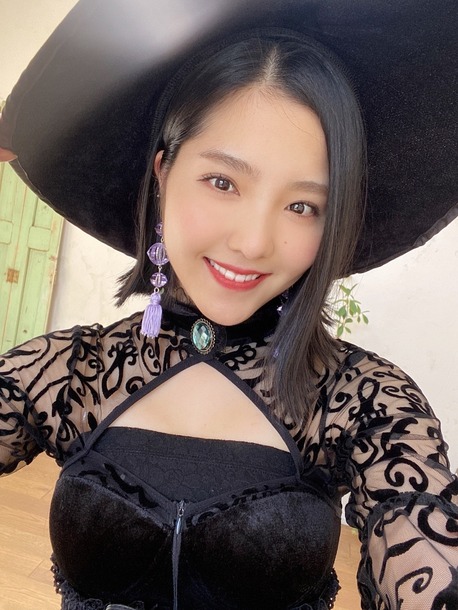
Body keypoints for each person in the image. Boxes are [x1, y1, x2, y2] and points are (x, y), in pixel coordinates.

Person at [0, 1, 457, 609]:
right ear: (163, 173)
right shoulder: (69, 374)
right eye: (223, 182)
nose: (254, 242)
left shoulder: (362, 401)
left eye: (303, 206)